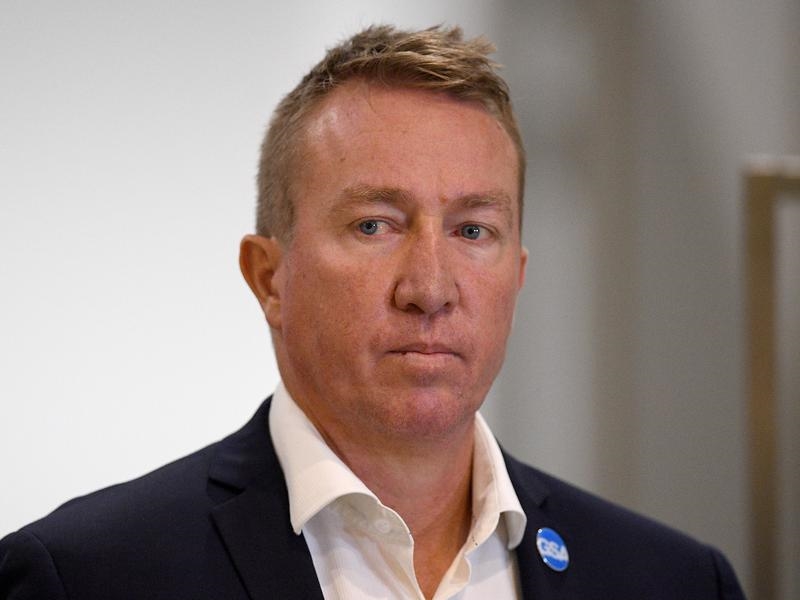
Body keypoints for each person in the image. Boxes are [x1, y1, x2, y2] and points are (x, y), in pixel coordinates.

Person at [0, 24, 745, 600]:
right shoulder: (86, 577)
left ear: (517, 278)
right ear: (269, 278)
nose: (430, 287)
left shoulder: (673, 582)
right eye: (374, 225)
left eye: (473, 231)